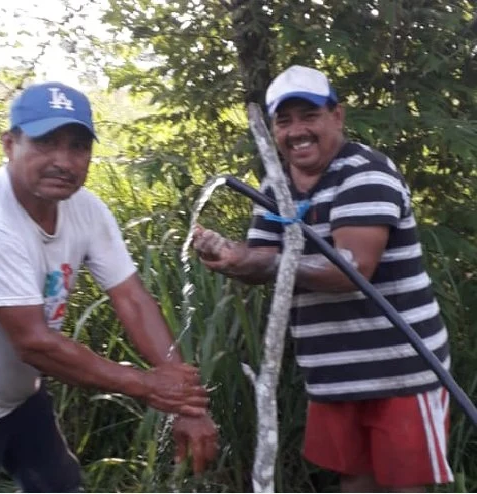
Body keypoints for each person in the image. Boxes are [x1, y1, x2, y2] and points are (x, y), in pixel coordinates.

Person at [0, 81, 217, 493]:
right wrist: (150, 387)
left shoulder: (86, 210)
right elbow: (34, 343)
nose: (64, 160)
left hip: (18, 395)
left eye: (78, 146)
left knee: (59, 485)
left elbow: (131, 298)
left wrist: (182, 398)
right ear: (9, 144)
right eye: (45, 142)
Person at [192, 65, 452, 492]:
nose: (297, 131)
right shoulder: (273, 188)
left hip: (402, 371)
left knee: (407, 488)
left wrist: (256, 261)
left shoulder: (365, 172)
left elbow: (353, 269)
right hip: (332, 375)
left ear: (338, 116)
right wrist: (228, 255)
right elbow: (261, 260)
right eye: (285, 120)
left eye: (309, 116)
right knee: (353, 483)